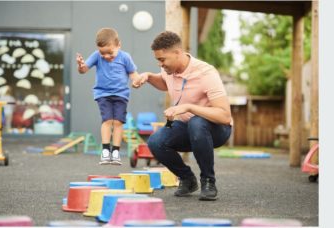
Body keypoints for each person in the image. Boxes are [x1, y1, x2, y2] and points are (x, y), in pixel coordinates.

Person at [134, 31, 232, 201]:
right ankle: (187, 179)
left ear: (177, 53)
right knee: (155, 142)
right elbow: (164, 82)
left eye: (162, 60)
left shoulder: (206, 73)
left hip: (217, 129)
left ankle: (208, 181)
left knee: (196, 122)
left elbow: (224, 116)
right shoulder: (169, 70)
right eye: (158, 60)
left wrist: (188, 107)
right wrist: (148, 77)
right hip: (189, 127)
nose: (160, 64)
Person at [76, 28, 140, 165]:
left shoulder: (125, 57)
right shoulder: (96, 56)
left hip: (121, 94)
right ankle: (105, 151)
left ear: (119, 45)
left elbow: (133, 73)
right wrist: (80, 66)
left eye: (110, 52)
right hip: (103, 93)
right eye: (102, 53)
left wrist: (137, 81)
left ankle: (115, 151)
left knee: (118, 122)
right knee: (107, 120)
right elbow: (84, 70)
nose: (106, 56)